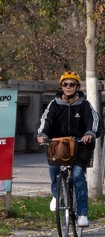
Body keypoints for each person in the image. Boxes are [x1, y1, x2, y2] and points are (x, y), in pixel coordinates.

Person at [37, 71, 100, 227]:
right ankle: (56, 195)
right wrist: (42, 134)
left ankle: (83, 214)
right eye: (65, 84)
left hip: (80, 146)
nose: (68, 87)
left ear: (77, 87)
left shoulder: (85, 105)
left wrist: (89, 134)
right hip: (59, 145)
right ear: (61, 86)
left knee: (78, 175)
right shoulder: (54, 104)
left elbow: (94, 122)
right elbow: (46, 121)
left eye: (72, 84)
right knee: (53, 169)